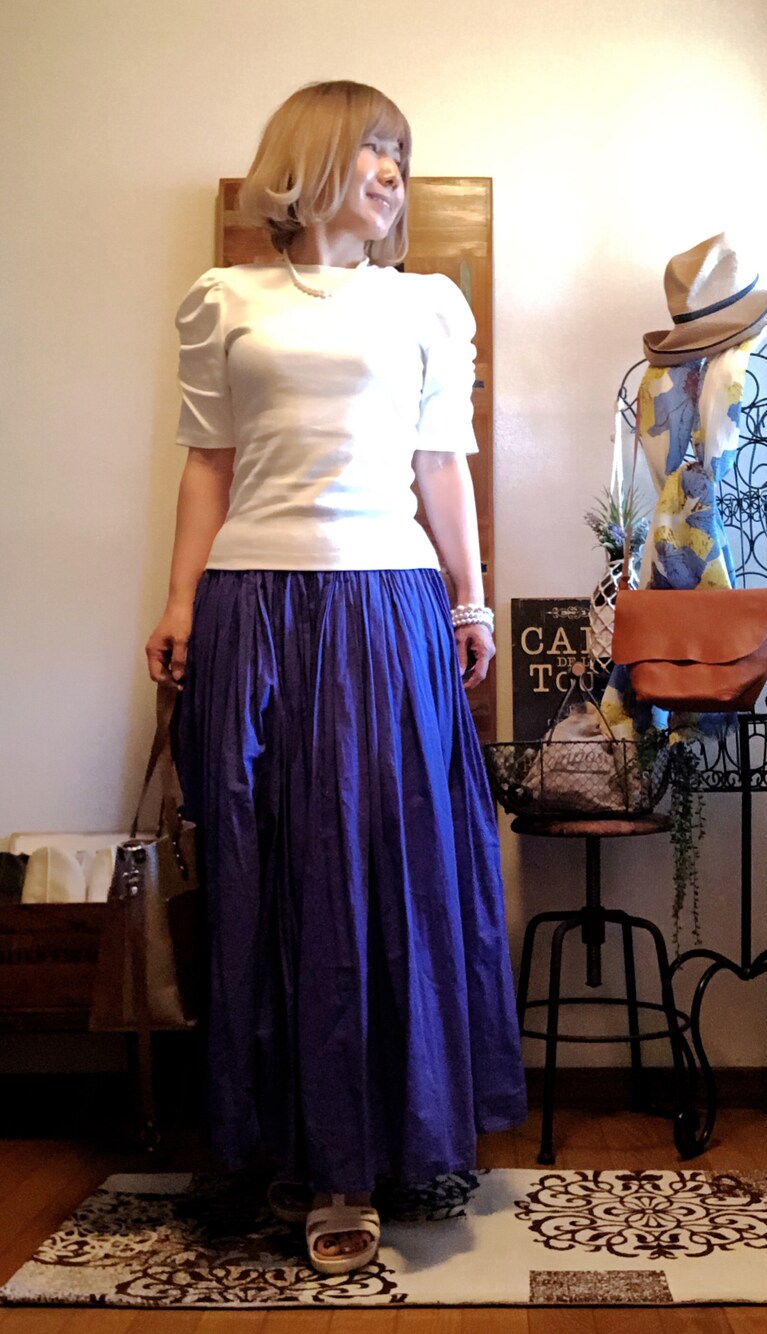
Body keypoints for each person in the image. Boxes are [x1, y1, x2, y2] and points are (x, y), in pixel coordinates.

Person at [145, 80, 526, 1276]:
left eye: (400, 151)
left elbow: (441, 464)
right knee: (265, 868)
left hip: (386, 604)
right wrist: (178, 602)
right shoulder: (224, 298)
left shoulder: (427, 304)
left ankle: (368, 1156)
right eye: (372, 146)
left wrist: (470, 598)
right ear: (309, 158)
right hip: (251, 604)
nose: (392, 169)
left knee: (385, 870)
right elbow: (208, 464)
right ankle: (292, 1149)